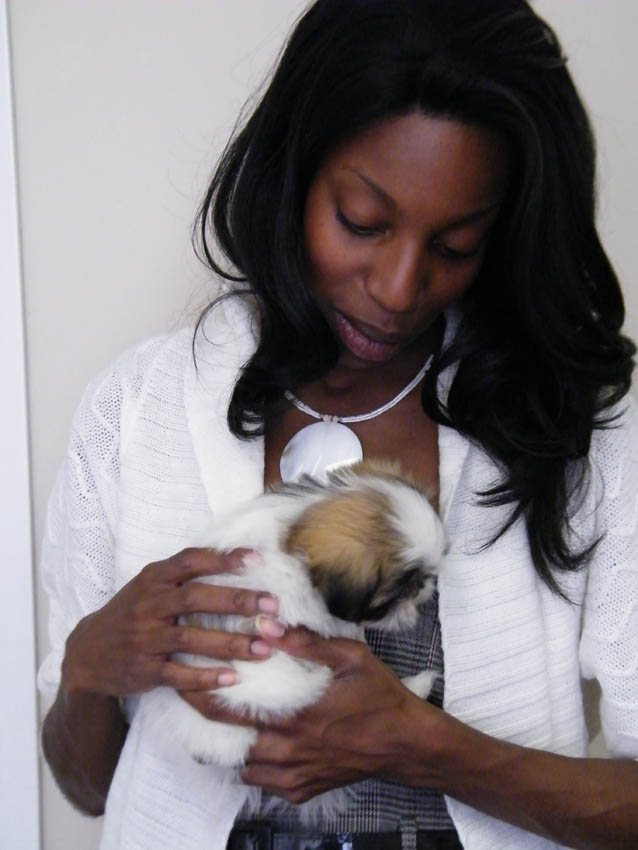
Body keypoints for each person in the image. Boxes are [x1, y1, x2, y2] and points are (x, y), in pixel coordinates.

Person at [38, 1, 638, 849]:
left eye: (455, 246)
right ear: (294, 174)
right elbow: (86, 786)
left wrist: (436, 751)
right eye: (362, 221)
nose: (397, 288)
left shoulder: (575, 434)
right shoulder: (136, 412)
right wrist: (90, 663)